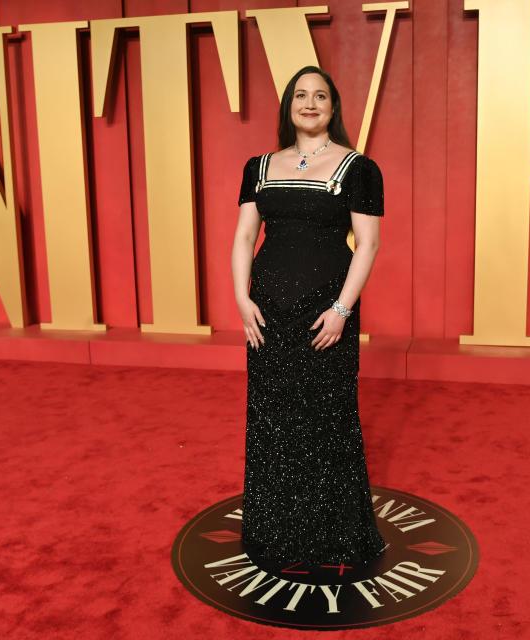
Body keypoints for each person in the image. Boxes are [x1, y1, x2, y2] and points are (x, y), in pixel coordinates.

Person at [230, 65, 387, 567]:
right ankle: (275, 532)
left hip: (326, 315)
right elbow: (242, 238)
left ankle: (332, 536)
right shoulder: (258, 166)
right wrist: (241, 298)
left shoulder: (359, 168)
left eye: (321, 96)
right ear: (288, 105)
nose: (311, 103)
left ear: (334, 108)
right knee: (273, 420)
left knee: (328, 418)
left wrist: (343, 309)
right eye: (301, 95)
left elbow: (368, 244)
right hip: (268, 314)